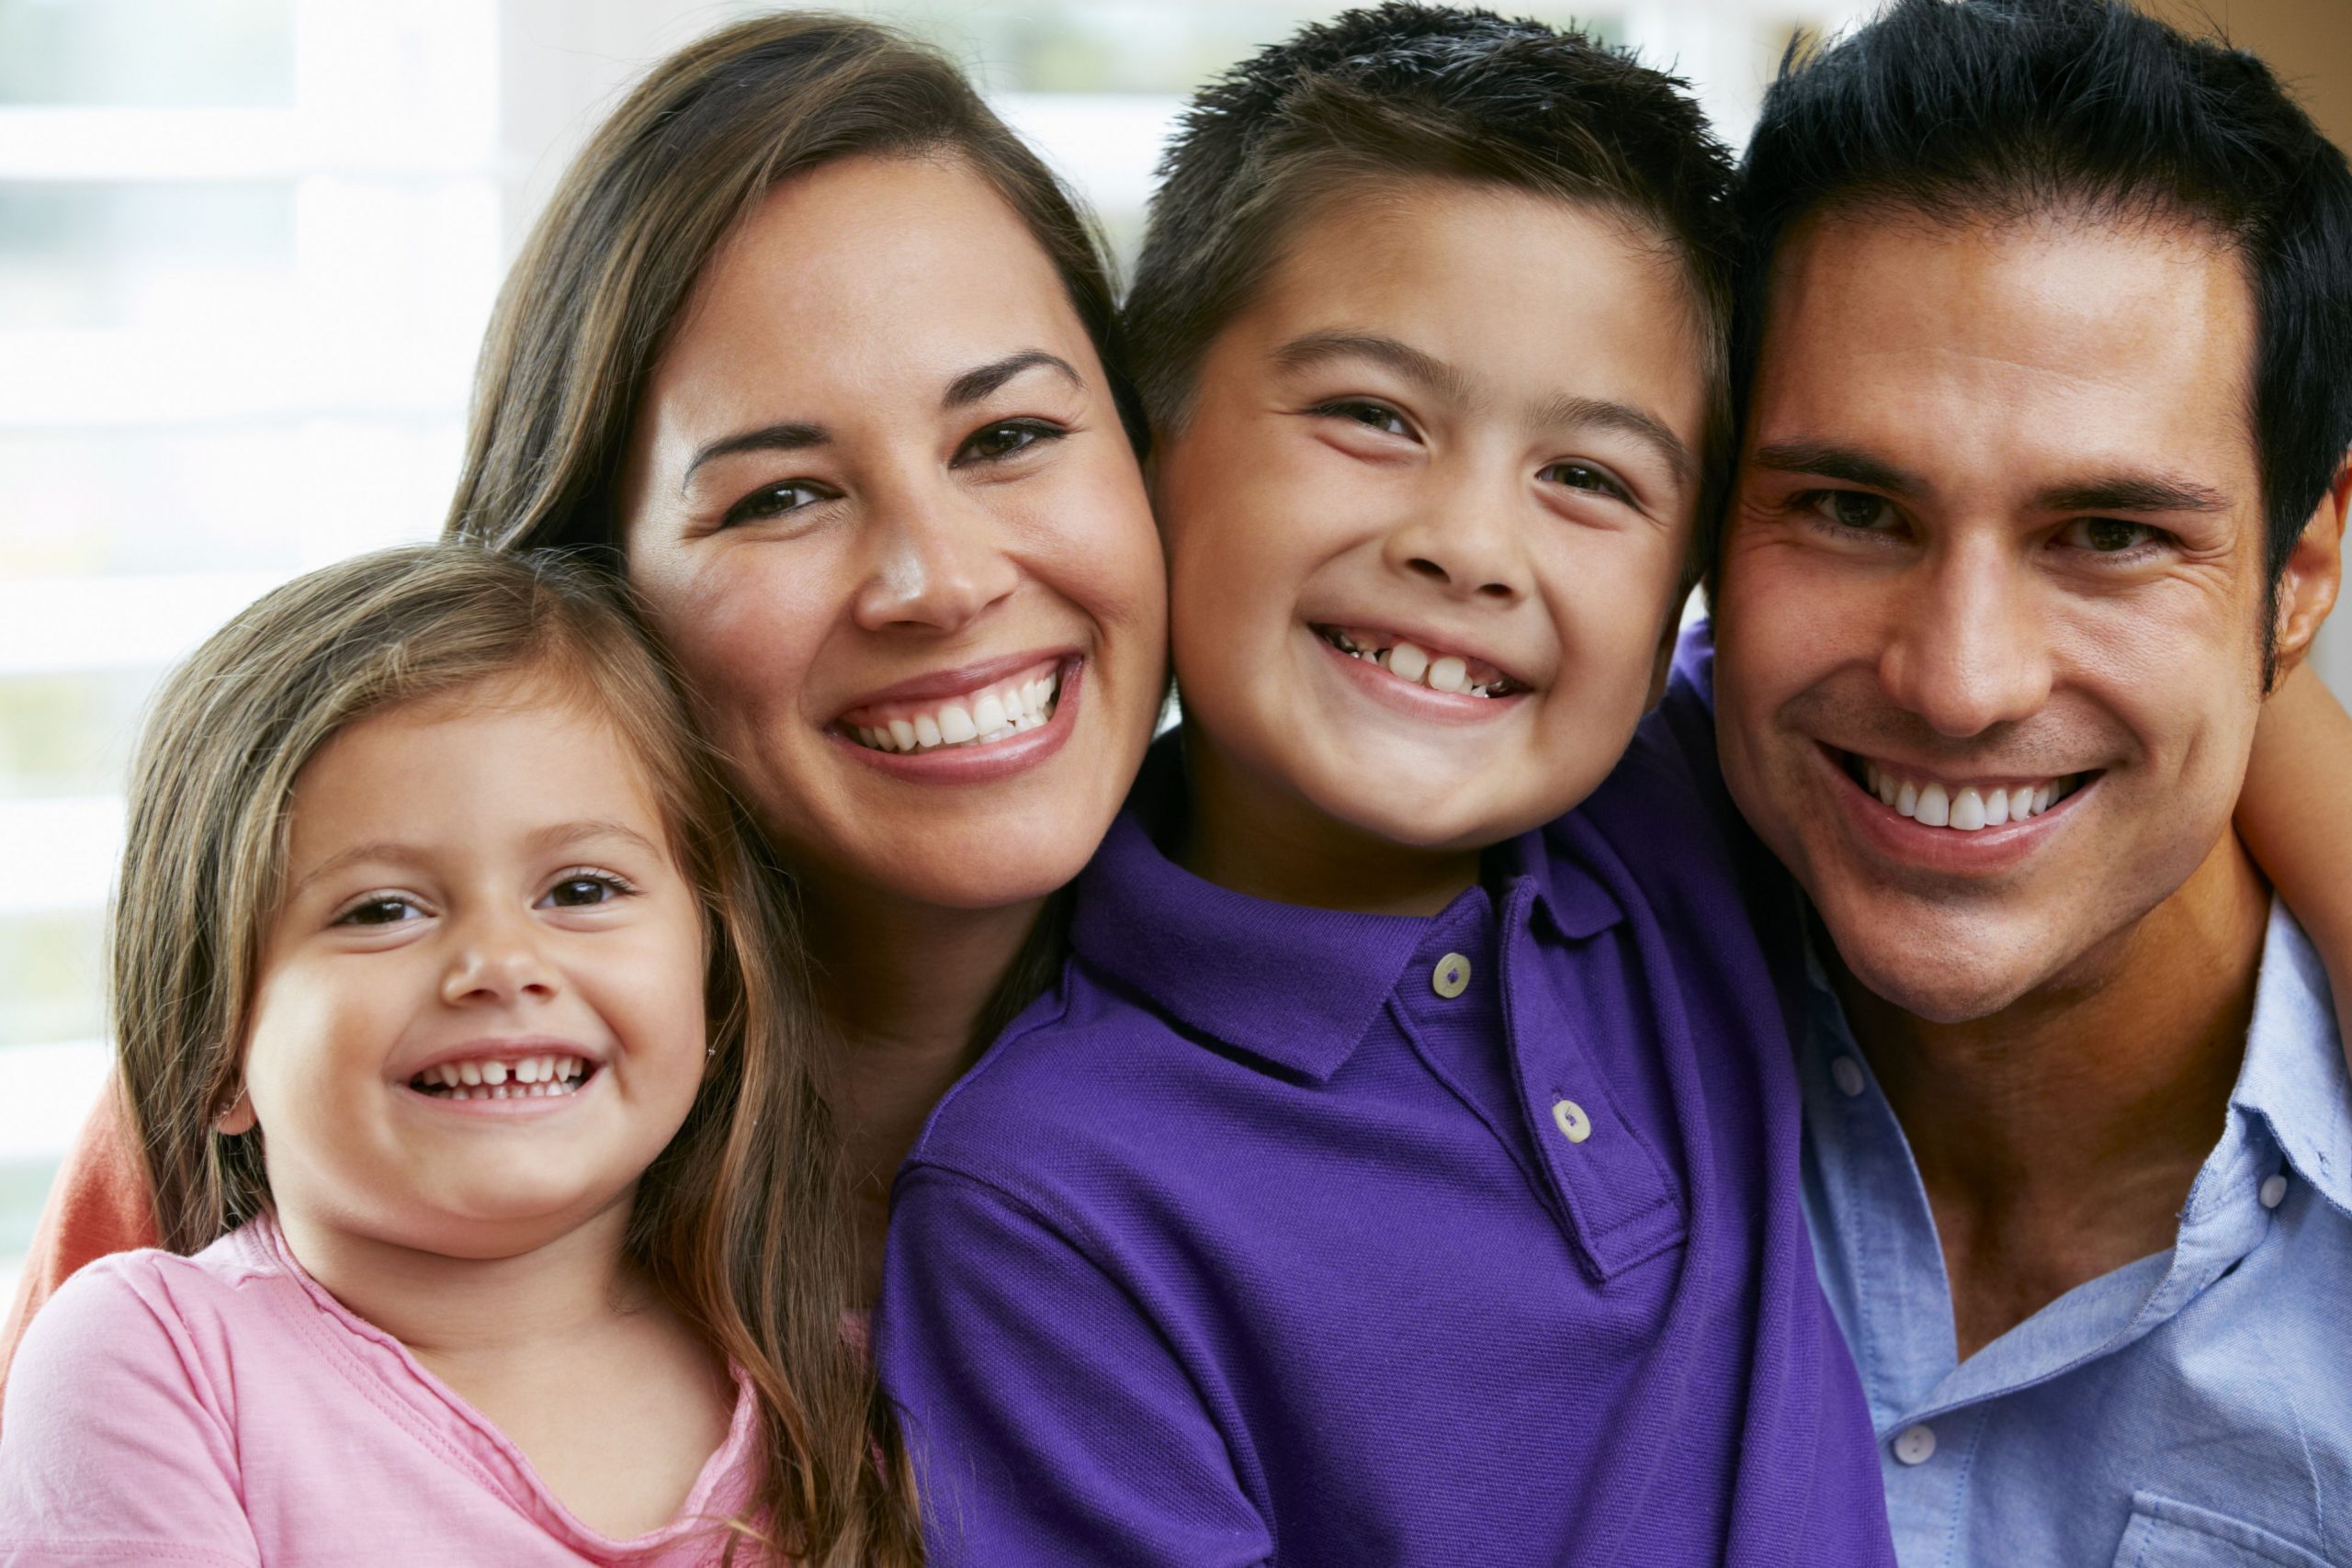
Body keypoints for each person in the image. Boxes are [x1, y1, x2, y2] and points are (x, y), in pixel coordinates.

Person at [1, 8, 1170, 1382]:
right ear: (586, 592)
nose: (940, 579)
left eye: (1010, 435)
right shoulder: (318, 1090)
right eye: (779, 495)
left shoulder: (1382, 1038)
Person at [875, 10, 1895, 1564]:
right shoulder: (1042, 1208)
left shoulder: (1683, 808)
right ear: (1147, 445)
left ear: (1691, 576)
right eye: (1372, 415)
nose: (1471, 547)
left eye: (1590, 479)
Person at [1697, 0, 2352, 1560]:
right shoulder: (1538, 947)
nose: (1960, 678)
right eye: (1852, 507)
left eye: (2111, 534)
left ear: (2303, 568)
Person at [0, 547, 920, 1565]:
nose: (499, 964)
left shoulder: (841, 1388)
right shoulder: (155, 1359)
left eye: (580, 890)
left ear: (711, 974)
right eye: (382, 910)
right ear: (214, 1051)